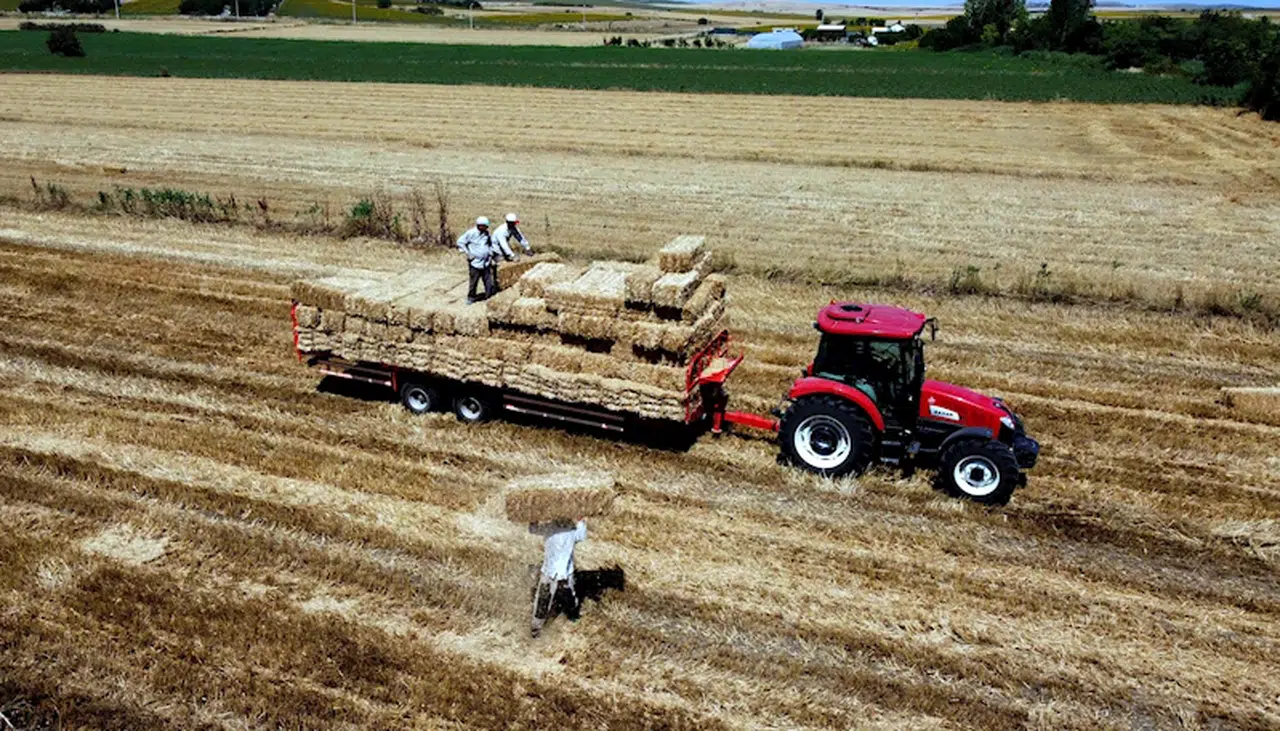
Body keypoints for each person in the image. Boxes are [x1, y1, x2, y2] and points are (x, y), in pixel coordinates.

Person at [530, 518, 586, 638]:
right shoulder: (549, 527)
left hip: (565, 572)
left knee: (568, 597)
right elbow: (533, 529)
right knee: (543, 598)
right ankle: (536, 626)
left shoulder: (572, 530)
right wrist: (533, 516)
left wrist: (581, 519)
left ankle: (573, 617)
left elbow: (582, 535)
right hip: (548, 571)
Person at [457, 216, 496, 304]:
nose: (486, 228)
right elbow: (460, 242)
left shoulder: (486, 234)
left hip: (485, 263)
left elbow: (489, 245)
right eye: (485, 226)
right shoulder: (471, 233)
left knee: (488, 281)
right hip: (475, 263)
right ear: (480, 226)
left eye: (487, 226)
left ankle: (489, 296)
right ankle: (471, 297)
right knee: (474, 281)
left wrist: (490, 255)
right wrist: (468, 253)